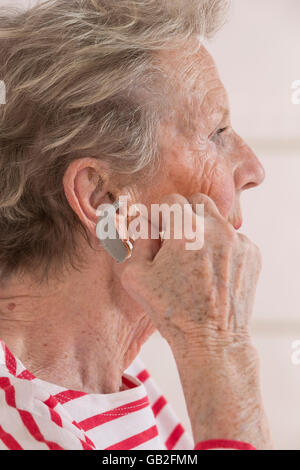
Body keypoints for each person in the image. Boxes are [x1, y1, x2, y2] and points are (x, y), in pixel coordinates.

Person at [0, 0, 272, 450]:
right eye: (216, 133)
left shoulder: (114, 385)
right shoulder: (23, 427)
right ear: (104, 198)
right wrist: (219, 346)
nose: (253, 168)